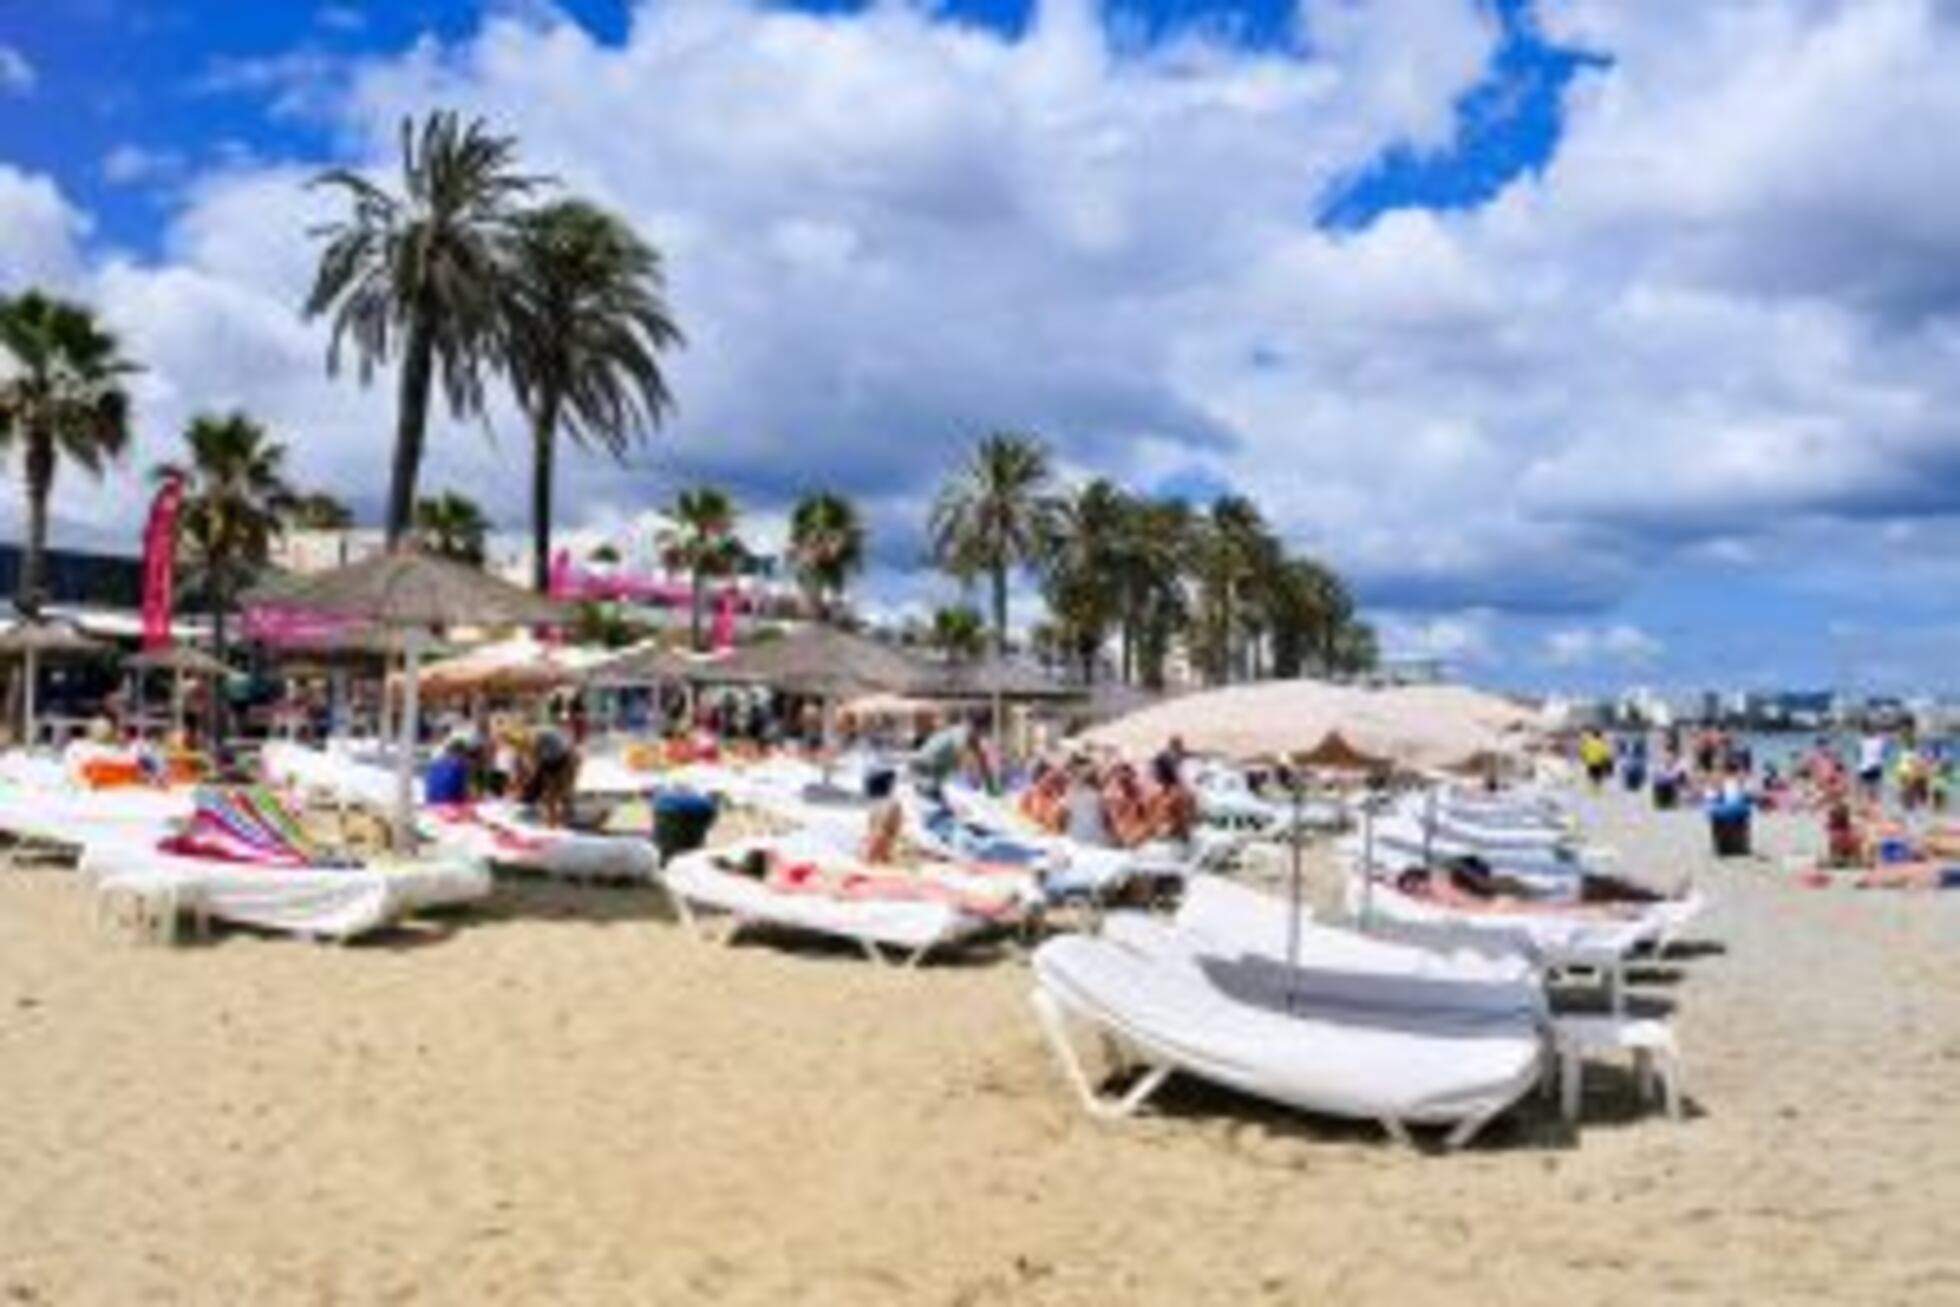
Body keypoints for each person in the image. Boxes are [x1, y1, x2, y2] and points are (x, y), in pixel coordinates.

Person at [859, 768, 904, 865]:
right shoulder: (889, 804)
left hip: (880, 856)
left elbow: (880, 835)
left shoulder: (883, 805)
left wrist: (869, 859)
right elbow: (880, 835)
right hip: (882, 855)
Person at [424, 735, 474, 807]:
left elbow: (429, 784)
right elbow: (464, 792)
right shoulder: (461, 766)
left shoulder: (435, 764)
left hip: (431, 802)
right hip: (450, 805)